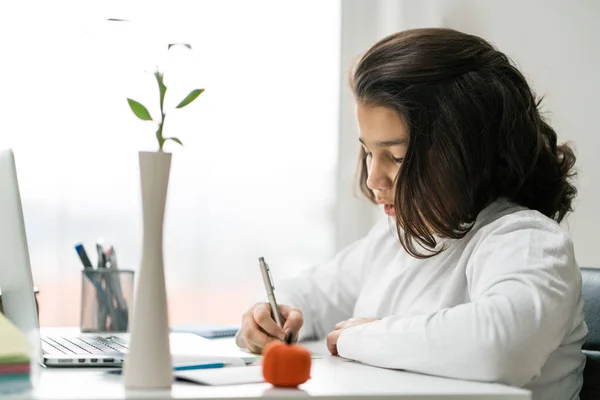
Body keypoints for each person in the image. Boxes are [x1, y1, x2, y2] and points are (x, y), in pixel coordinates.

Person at [236, 28, 587, 400]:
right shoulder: (395, 239)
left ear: (466, 152)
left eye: (397, 157)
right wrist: (269, 318)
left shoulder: (526, 240)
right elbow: (312, 295)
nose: (373, 178)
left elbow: (501, 347)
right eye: (369, 152)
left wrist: (360, 338)